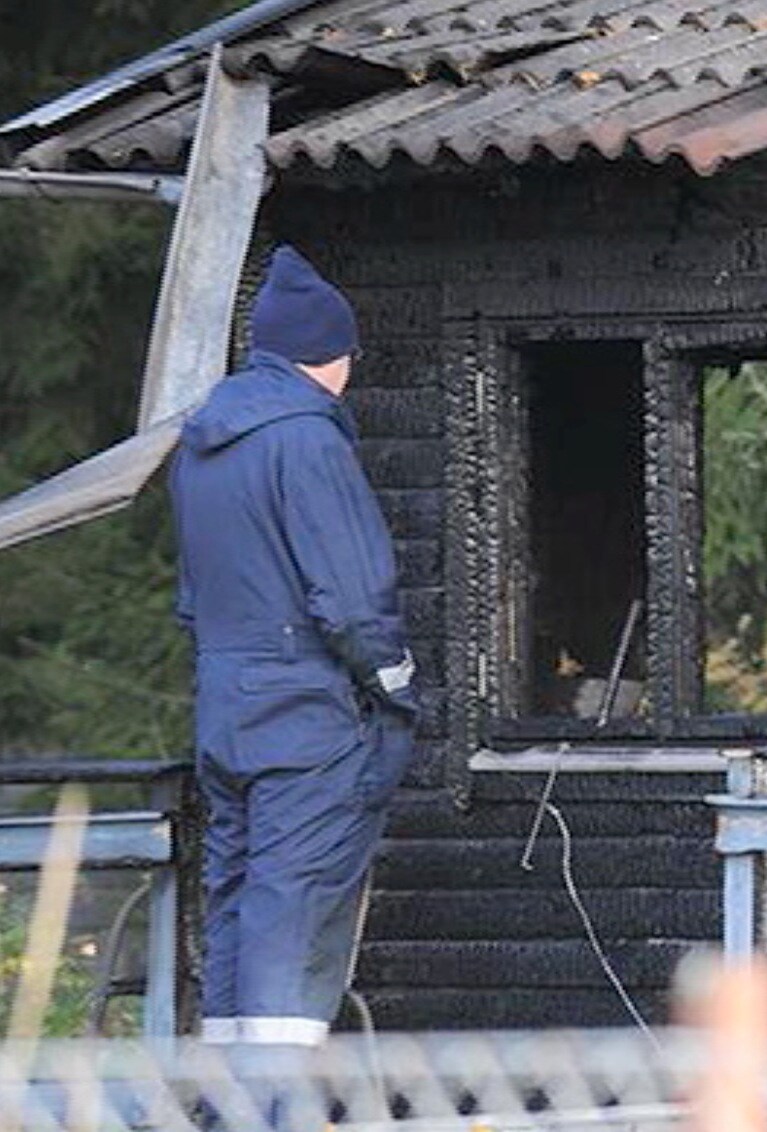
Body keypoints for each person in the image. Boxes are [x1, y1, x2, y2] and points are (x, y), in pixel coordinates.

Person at [170, 246, 417, 1068]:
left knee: (236, 896)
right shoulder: (307, 442)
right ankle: (276, 1106)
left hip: (226, 709)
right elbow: (352, 595)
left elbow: (192, 598)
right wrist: (396, 686)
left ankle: (232, 1100)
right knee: (296, 906)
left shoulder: (202, 444)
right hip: (306, 719)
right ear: (331, 355)